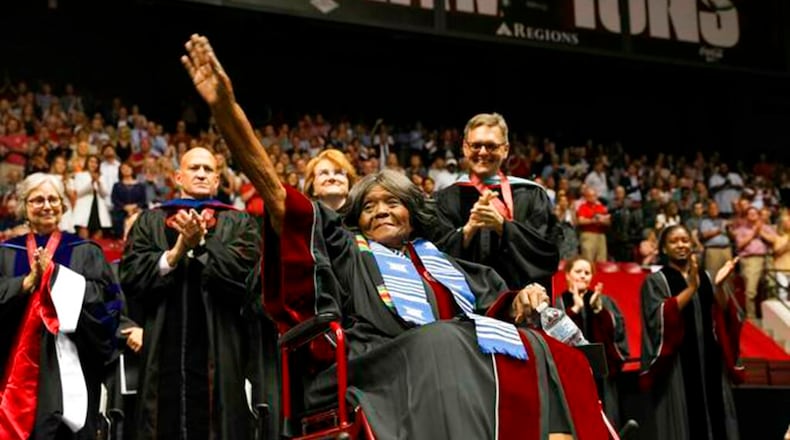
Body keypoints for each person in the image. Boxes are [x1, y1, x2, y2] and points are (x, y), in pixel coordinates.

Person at [182, 34, 610, 440]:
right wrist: (227, 110)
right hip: (377, 368)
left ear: (413, 212)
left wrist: (523, 299)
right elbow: (278, 199)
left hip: (449, 356)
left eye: (392, 203)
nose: (381, 210)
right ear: (358, 219)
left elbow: (495, 302)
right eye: (368, 206)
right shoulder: (348, 249)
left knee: (534, 341)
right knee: (443, 339)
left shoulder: (442, 261)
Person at [119, 147, 262, 439]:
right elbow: (131, 275)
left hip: (220, 342)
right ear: (178, 176)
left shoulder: (237, 221)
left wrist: (200, 246)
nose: (201, 173)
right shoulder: (151, 220)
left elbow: (246, 276)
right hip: (162, 342)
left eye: (208, 170)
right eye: (194, 168)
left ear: (217, 180)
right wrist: (174, 254)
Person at [0, 173, 121, 439]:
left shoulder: (86, 250)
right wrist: (25, 282)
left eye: (53, 199)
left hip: (73, 357)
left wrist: (56, 278)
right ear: (24, 207)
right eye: (37, 200)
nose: (46, 205)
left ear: (63, 206)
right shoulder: (6, 252)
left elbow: (105, 302)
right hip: (15, 361)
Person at [434, 112, 560, 290]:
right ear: (465, 148)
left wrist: (503, 227)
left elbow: (546, 255)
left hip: (519, 302)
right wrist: (467, 232)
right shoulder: (445, 199)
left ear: (505, 149)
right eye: (476, 145)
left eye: (491, 146)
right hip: (463, 307)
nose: (483, 152)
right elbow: (433, 259)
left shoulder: (531, 195)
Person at [639, 224, 743, 440]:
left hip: (710, 360)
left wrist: (721, 285)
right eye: (674, 241)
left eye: (685, 240)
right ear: (664, 248)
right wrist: (691, 289)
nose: (681, 245)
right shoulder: (656, 281)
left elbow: (723, 315)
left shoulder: (706, 276)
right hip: (677, 366)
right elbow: (659, 318)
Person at [555, 256, 628, 426]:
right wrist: (575, 309)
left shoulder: (603, 301)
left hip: (601, 376)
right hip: (570, 376)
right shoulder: (558, 303)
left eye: (587, 272)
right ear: (567, 275)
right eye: (578, 272)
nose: (583, 276)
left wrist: (598, 311)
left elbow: (615, 337)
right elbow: (555, 339)